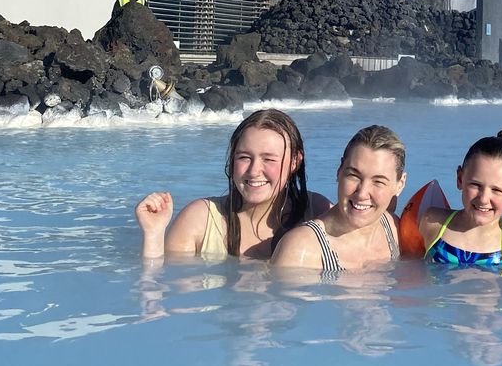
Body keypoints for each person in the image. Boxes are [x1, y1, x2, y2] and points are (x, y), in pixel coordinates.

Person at [136, 109, 330, 260]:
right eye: (244, 157)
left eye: (269, 159)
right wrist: (153, 234)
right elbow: (158, 286)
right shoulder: (199, 220)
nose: (254, 171)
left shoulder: (318, 212)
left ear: (295, 161)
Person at [271, 125, 406, 271]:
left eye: (378, 182)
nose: (362, 193)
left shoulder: (396, 231)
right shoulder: (301, 249)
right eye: (353, 175)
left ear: (400, 185)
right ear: (339, 171)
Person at [417, 130, 502, 271]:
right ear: (460, 179)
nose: (483, 199)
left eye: (496, 190)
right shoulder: (432, 222)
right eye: (475, 185)